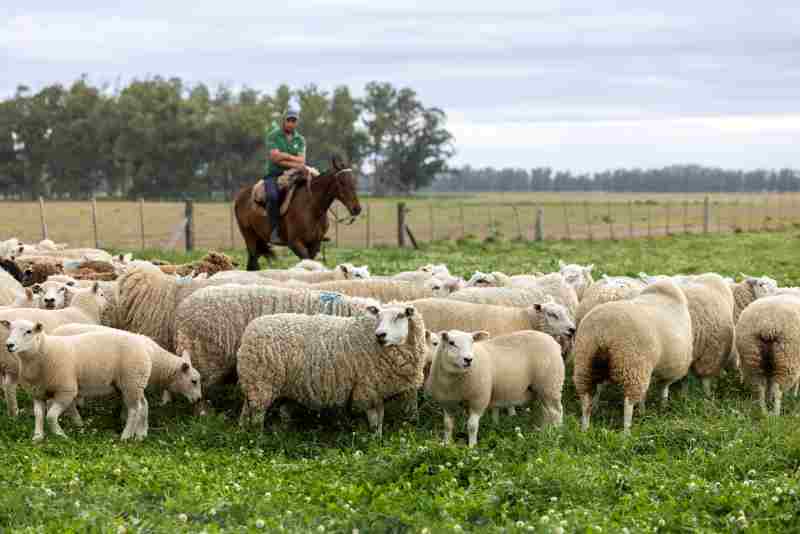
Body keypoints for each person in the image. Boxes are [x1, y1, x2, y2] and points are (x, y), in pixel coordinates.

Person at [263, 107, 306, 243]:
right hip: (274, 175)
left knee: (311, 192)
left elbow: (302, 161)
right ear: (283, 121)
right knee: (272, 196)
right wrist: (294, 160)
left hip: (295, 174)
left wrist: (283, 157)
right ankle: (274, 231)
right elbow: (274, 159)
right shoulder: (273, 136)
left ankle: (314, 228)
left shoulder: (300, 139)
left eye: (294, 121)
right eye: (289, 120)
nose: (291, 123)